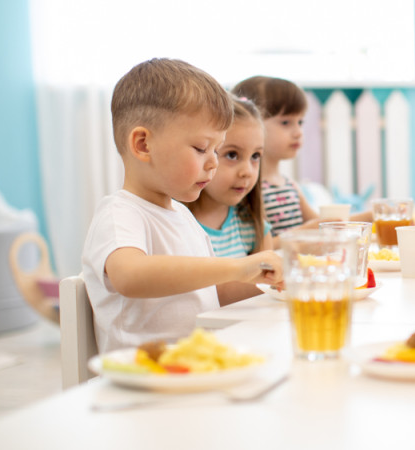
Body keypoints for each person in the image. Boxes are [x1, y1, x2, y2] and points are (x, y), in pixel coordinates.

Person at [81, 59, 283, 353]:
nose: (212, 161)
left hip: (193, 367)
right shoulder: (120, 214)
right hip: (145, 380)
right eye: (202, 149)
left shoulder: (183, 216)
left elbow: (211, 293)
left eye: (216, 149)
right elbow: (131, 276)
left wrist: (265, 278)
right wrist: (237, 266)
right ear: (143, 145)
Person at [232, 76, 370, 246]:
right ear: (252, 123)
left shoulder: (290, 186)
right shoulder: (248, 189)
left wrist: (370, 217)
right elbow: (256, 247)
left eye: (300, 122)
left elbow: (323, 224)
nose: (298, 132)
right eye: (285, 122)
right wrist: (304, 232)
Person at [186, 96, 273, 303]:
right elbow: (209, 296)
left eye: (255, 156)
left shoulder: (252, 226)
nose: (247, 172)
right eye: (232, 155)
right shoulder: (177, 225)